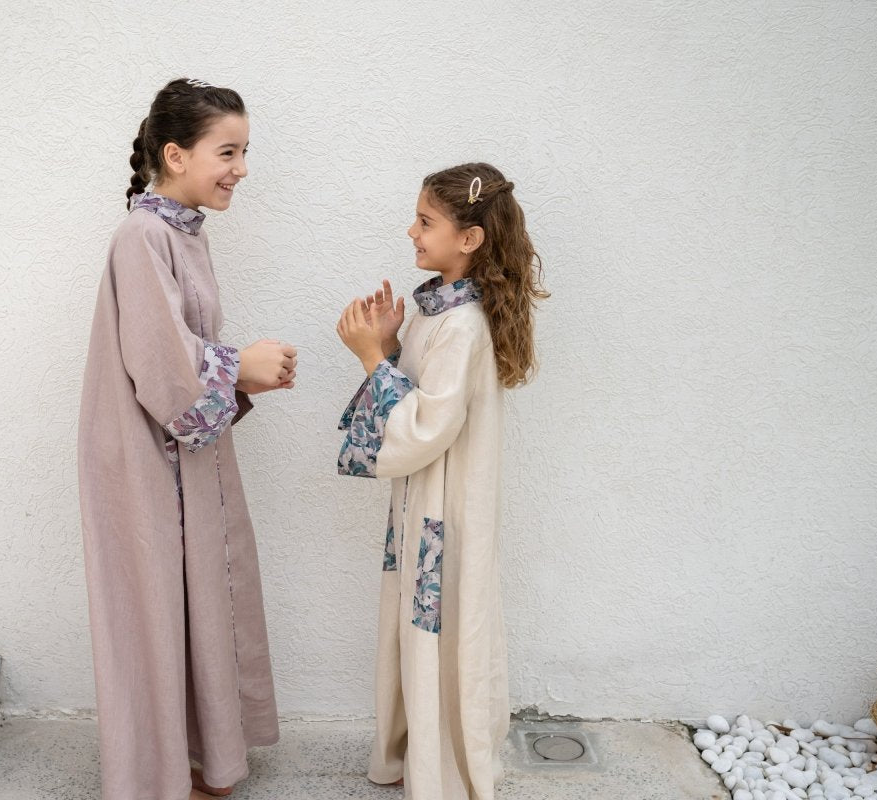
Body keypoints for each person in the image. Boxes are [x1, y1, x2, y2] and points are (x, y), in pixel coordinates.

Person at [79, 77, 296, 800]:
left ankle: (203, 763)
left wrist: (243, 374)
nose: (241, 169)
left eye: (244, 151)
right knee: (155, 606)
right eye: (227, 152)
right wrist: (240, 366)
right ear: (175, 155)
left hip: (178, 451)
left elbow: (179, 354)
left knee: (196, 596)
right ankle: (158, 777)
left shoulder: (181, 232)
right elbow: (161, 366)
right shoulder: (143, 236)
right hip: (144, 454)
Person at [336, 162, 548, 799]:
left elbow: (426, 426)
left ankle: (444, 773)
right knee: (419, 630)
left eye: (426, 221)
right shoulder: (437, 312)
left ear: (470, 238)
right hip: (425, 507)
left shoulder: (461, 324)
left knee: (444, 631)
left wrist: (371, 358)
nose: (412, 231)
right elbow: (422, 399)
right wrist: (390, 345)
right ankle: (412, 757)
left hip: (447, 515)